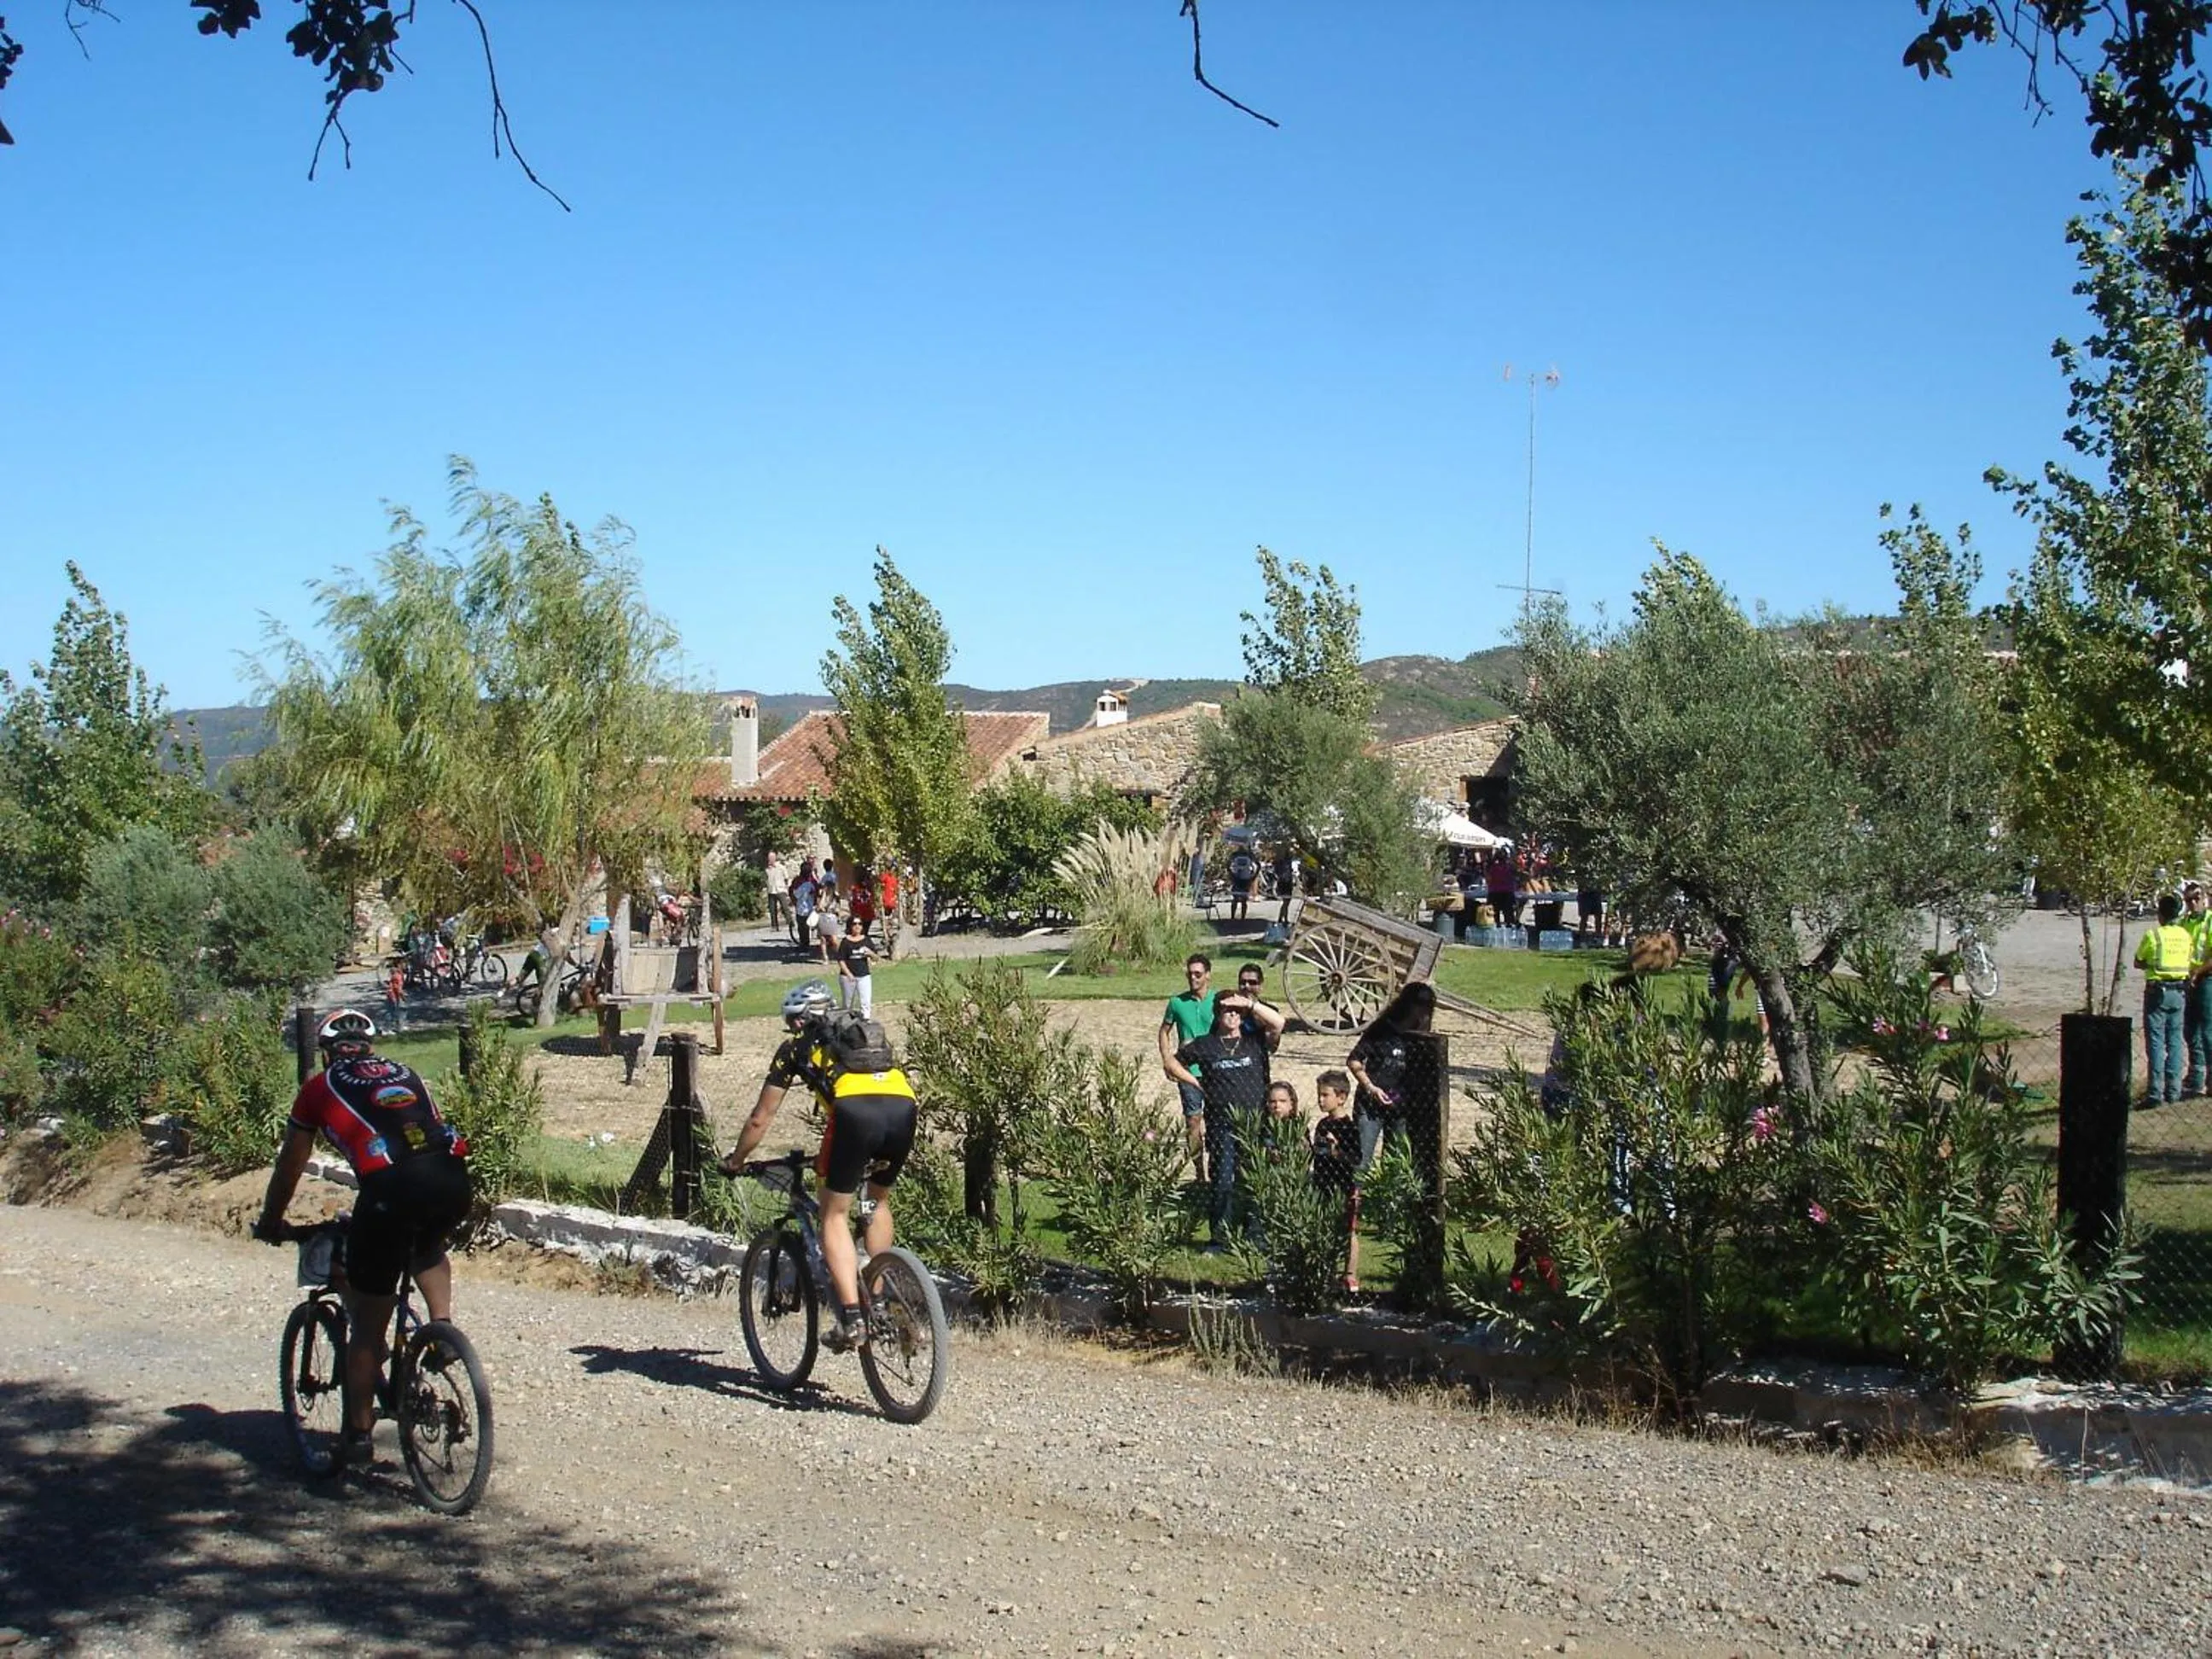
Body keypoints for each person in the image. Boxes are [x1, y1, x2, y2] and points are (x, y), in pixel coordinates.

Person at [252, 1010, 474, 1464]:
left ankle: (357, 1436)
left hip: (391, 1188)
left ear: (325, 1053)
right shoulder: (406, 1073)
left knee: (368, 1325)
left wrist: (272, 1220)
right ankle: (443, 1329)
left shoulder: (317, 1089)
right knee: (426, 1247)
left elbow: (291, 1164)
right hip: (453, 1180)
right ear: (369, 1047)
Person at [715, 980, 918, 1353]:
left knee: (833, 1215)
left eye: (790, 1021)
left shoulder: (796, 1047)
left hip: (854, 1116)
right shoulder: (863, 1036)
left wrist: (736, 1161)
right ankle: (878, 1300)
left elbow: (761, 1118)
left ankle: (853, 1320)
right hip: (904, 1109)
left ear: (799, 1020)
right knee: (876, 1201)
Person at [1165, 992, 1285, 1249]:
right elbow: (1171, 1063)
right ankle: (1220, 1238)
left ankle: (1256, 1235)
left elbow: (1279, 1023)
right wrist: (1195, 1082)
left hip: (1255, 1124)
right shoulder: (1205, 1044)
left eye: (1236, 1011)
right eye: (1226, 1010)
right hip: (1221, 1126)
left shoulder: (1254, 1042)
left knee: (1255, 1180)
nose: (1232, 1014)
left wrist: (1250, 1004)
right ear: (1217, 1014)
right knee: (1222, 1181)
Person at [1345, 981, 1437, 1175]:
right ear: (1407, 1004)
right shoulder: (1381, 1030)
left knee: (1397, 1163)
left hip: (1401, 1107)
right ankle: (1355, 1193)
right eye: (1419, 1005)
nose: (1423, 1011)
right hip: (1370, 1105)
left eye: (1427, 1007)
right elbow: (1354, 1060)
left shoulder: (1421, 1038)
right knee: (1361, 1161)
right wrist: (1371, 1087)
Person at [1158, 954, 1218, 1177]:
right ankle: (1199, 1172)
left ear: (1208, 975)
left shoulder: (1218, 1001)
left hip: (1214, 1072)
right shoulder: (1177, 1002)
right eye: (1190, 974)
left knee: (1216, 1122)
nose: (1193, 978)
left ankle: (1216, 1169)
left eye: (1198, 974)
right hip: (1187, 1072)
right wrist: (1167, 1059)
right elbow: (1164, 1031)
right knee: (1193, 1120)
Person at [2136, 893, 2197, 1106]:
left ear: (2160, 914)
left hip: (2157, 993)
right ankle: (2174, 1091)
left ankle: (2155, 1093)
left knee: (2155, 1042)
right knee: (2175, 1041)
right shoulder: (2185, 936)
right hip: (2179, 991)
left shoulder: (2153, 935)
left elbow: (2139, 960)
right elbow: (2189, 959)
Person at [1311, 1069, 1361, 1292]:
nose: (1320, 1100)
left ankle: (1350, 1274)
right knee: (1325, 1229)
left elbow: (1355, 1158)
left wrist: (1336, 1151)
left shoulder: (1349, 1127)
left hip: (1343, 1185)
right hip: (1323, 1183)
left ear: (1341, 1097)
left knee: (1348, 1231)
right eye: (1319, 1095)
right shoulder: (1322, 1124)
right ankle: (1327, 1271)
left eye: (1325, 1095)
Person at [2184, 882, 2212, 1098]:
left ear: (2204, 899)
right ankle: (2196, 1076)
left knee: (2208, 1031)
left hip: (2206, 979)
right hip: (2187, 980)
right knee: (2190, 1030)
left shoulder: (2210, 920)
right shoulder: (2184, 922)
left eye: (2196, 898)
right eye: (2188, 900)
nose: (2193, 903)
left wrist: (2198, 973)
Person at [1233, 963, 1283, 1052]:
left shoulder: (1270, 1012)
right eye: (1243, 982)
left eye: (1252, 983)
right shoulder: (1230, 1010)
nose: (1247, 986)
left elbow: (1272, 1047)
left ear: (1261, 986)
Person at [837, 913, 876, 1016]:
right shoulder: (845, 942)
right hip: (847, 977)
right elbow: (841, 960)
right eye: (854, 924)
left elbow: (876, 958)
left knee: (866, 1002)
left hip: (864, 975)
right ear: (850, 926)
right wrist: (849, 974)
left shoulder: (867, 940)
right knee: (848, 1004)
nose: (857, 926)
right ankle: (847, 1021)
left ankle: (866, 1020)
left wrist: (871, 953)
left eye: (860, 924)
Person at [1485, 845, 1520, 929]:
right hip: (1507, 892)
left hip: (1494, 892)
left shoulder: (1492, 867)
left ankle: (1497, 928)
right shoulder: (1510, 867)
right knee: (1508, 915)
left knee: (1495, 915)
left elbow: (1488, 877)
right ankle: (1509, 929)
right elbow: (1516, 873)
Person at [1226, 842, 1259, 923]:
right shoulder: (1235, 854)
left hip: (1246, 879)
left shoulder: (1249, 855)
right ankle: (1232, 917)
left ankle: (1243, 918)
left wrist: (1253, 876)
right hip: (1237, 878)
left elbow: (1258, 865)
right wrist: (1231, 874)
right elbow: (1228, 864)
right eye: (1241, 845)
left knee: (1244, 900)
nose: (1242, 847)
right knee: (1235, 899)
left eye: (1244, 845)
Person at [791, 859, 818, 953]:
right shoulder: (813, 882)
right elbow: (817, 892)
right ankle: (805, 944)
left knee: (802, 927)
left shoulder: (798, 881)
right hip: (809, 907)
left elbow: (795, 894)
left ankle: (804, 944)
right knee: (806, 927)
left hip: (801, 908)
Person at [764, 851, 792, 939]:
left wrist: (786, 888)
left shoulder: (781, 867)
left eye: (772, 858)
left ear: (775, 858)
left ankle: (790, 923)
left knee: (785, 907)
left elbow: (786, 878)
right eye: (769, 858)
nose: (770, 860)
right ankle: (774, 926)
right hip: (771, 890)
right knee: (772, 909)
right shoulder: (767, 869)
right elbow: (766, 879)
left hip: (780, 889)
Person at [1272, 846, 1298, 925]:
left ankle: (1282, 918)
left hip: (1283, 882)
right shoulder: (1287, 862)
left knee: (1286, 902)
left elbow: (1276, 872)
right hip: (1286, 882)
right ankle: (1284, 919)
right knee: (1286, 902)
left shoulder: (1281, 862)